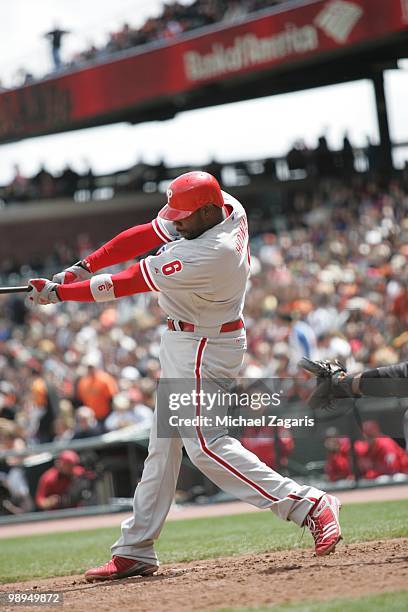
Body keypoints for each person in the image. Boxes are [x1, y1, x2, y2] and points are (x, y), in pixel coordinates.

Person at [27, 171, 342, 581]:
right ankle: (135, 547)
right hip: (186, 338)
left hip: (204, 346)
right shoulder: (222, 205)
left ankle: (308, 504)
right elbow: (144, 234)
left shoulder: (213, 251)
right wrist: (81, 267)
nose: (175, 223)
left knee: (205, 447)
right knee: (164, 446)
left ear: (209, 212)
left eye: (184, 217)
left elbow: (126, 283)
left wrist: (60, 294)